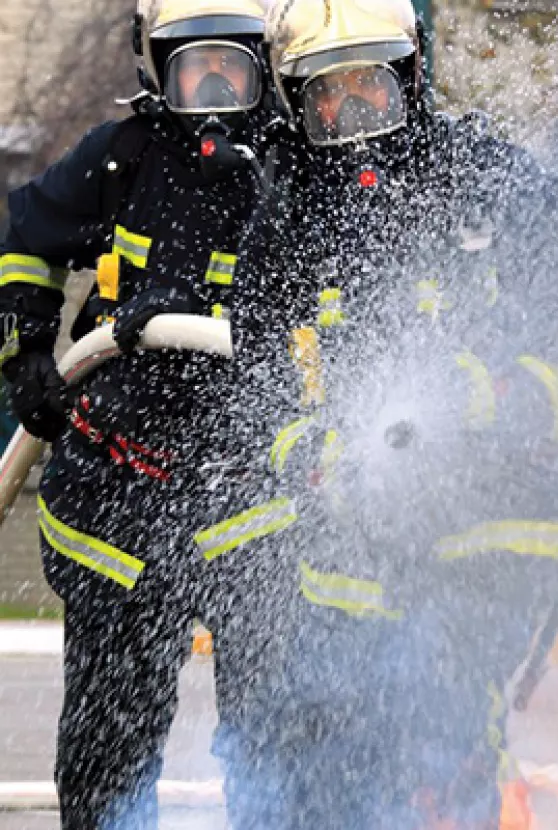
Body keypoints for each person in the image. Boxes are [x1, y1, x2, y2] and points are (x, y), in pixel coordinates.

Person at [211, 0, 558, 826]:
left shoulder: (494, 185)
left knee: (440, 740)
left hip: (487, 528)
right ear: (296, 101)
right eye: (328, 92)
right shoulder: (286, 221)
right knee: (321, 752)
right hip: (347, 545)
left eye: (369, 85)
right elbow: (259, 387)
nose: (351, 110)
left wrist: (484, 401)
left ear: (410, 76)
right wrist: (311, 452)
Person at [0, 1, 274, 826]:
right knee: (108, 742)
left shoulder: (286, 165)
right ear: (157, 68)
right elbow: (26, 235)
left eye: (234, 66)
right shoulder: (120, 158)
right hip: (118, 486)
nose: (217, 85)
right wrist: (31, 356)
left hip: (248, 489)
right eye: (196, 67)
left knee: (272, 735)